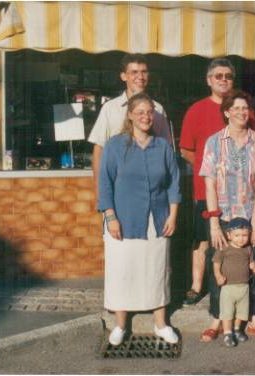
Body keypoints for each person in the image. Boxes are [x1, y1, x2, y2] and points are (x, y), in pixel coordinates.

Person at [98, 92, 181, 346]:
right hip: (122, 220)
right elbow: (105, 184)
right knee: (122, 272)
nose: (146, 117)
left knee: (156, 271)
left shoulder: (163, 147)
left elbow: (173, 184)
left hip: (157, 219)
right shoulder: (114, 146)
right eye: (140, 112)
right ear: (130, 116)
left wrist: (173, 215)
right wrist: (110, 217)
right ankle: (120, 326)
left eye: (150, 113)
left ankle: (160, 324)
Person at [199, 89, 255, 342]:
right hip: (223, 218)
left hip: (250, 217)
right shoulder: (214, 142)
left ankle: (254, 318)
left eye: (245, 108)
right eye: (236, 108)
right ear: (227, 112)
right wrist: (213, 224)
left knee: (252, 267)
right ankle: (216, 319)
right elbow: (209, 185)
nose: (242, 112)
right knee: (220, 267)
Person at [179, 58, 237, 306]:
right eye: (218, 76)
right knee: (202, 240)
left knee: (234, 238)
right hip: (205, 190)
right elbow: (186, 150)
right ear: (209, 80)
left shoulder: (241, 108)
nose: (223, 80)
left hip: (235, 191)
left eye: (228, 76)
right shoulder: (196, 110)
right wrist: (208, 171)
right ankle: (196, 286)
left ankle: (232, 282)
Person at [89, 53, 171, 199]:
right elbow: (99, 151)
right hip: (117, 192)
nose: (140, 76)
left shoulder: (158, 109)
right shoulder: (110, 108)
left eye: (144, 72)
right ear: (123, 76)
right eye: (134, 72)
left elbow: (166, 151)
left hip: (151, 194)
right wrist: (100, 193)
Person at [213, 217, 255, 347]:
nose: (241, 238)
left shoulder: (248, 249)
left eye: (245, 235)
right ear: (228, 235)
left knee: (242, 311)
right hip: (228, 287)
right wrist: (218, 275)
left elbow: (251, 263)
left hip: (244, 286)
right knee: (227, 312)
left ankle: (237, 329)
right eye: (237, 235)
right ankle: (228, 333)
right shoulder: (224, 248)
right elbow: (216, 263)